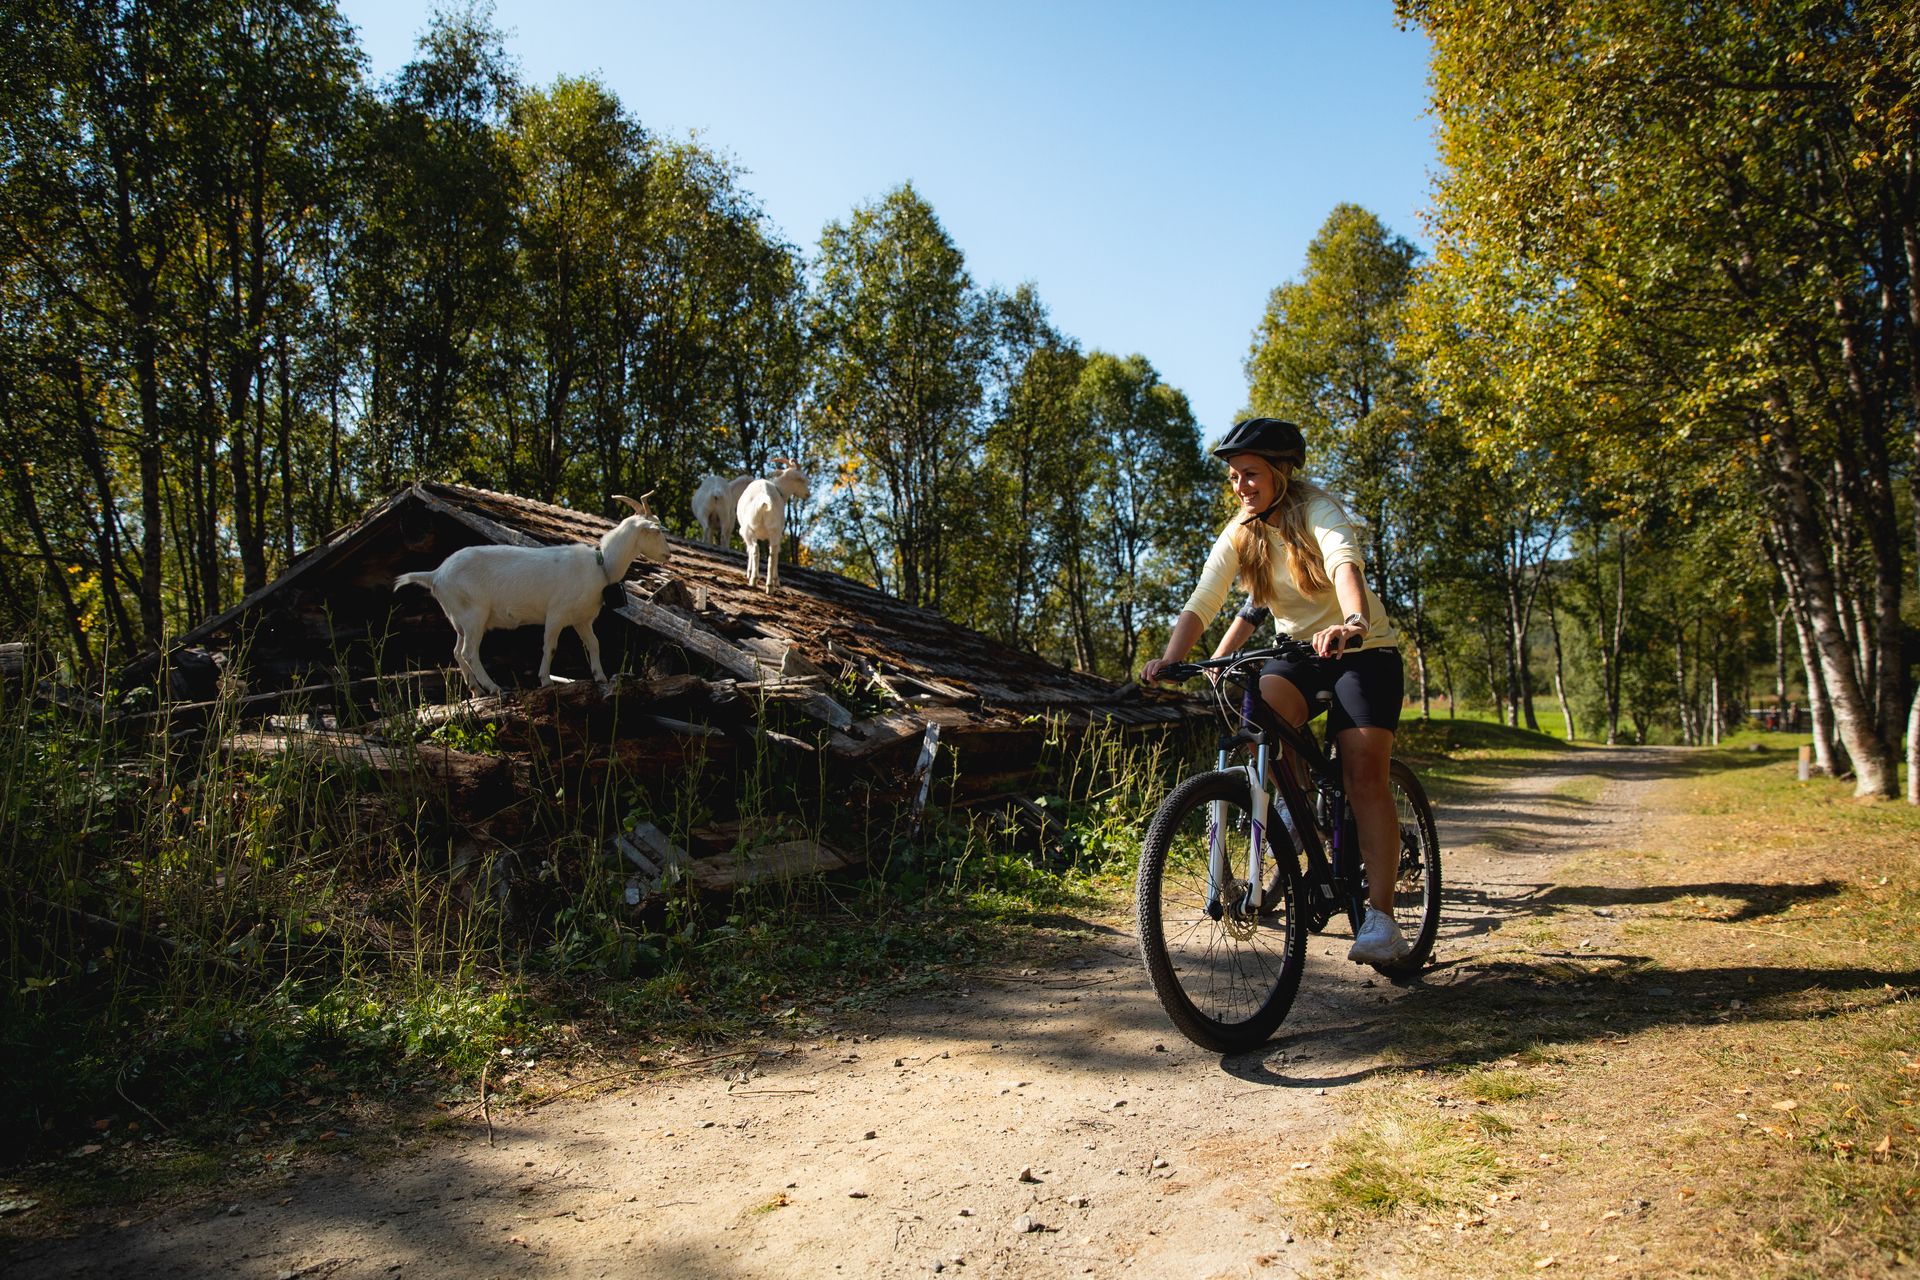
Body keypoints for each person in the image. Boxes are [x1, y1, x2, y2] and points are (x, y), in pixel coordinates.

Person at [1140, 417, 1409, 964]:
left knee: (1362, 773)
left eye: (1252, 474)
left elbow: (1344, 565)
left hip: (1364, 651)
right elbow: (1203, 599)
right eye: (1236, 476)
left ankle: (1381, 919)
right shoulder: (1242, 530)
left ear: (1282, 473)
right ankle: (1292, 814)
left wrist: (1353, 621)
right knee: (1262, 723)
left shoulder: (1318, 511)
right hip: (1299, 654)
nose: (1241, 486)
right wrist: (1174, 658)